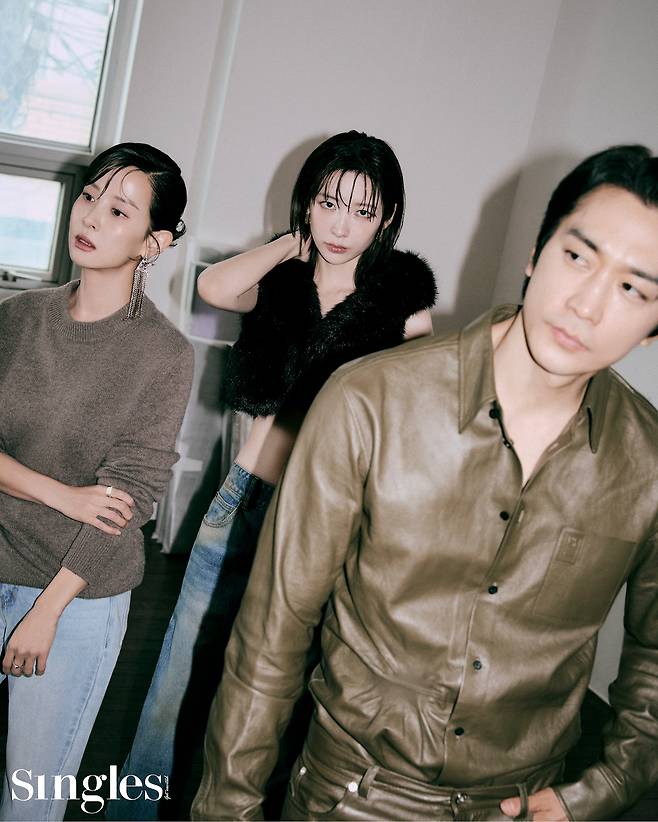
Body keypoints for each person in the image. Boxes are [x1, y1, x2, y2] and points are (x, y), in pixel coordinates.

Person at [191, 144, 658, 822]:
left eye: (633, 289)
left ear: (653, 328)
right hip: (350, 796)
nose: (587, 305)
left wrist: (609, 785)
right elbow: (272, 637)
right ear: (536, 253)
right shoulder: (369, 398)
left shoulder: (646, 462)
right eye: (578, 257)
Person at [111, 130, 437, 820]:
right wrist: (294, 243)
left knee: (277, 693)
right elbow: (212, 286)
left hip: (329, 522)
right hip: (246, 500)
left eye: (362, 211)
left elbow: (416, 417)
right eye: (328, 203)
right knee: (180, 676)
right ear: (307, 204)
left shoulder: (402, 303)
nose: (341, 225)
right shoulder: (281, 280)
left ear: (386, 218)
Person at [0, 142, 194, 822]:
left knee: (29, 800)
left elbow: (127, 500)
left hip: (75, 599)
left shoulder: (164, 355)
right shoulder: (18, 318)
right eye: (89, 197)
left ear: (154, 242)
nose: (89, 217)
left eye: (119, 211)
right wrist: (61, 493)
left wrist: (47, 610)